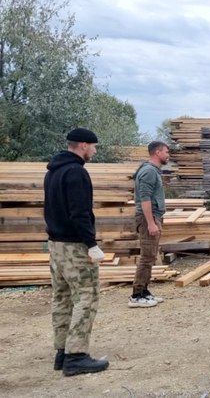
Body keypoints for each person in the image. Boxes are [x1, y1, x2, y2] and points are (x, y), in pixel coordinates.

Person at [44, 128, 109, 376]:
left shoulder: (53, 171)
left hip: (56, 245)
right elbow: (80, 213)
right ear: (83, 145)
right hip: (74, 246)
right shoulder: (76, 173)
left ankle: (62, 352)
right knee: (86, 297)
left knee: (62, 297)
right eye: (94, 146)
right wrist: (91, 244)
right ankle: (76, 356)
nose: (95, 151)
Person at [129, 141, 170, 308]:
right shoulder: (149, 172)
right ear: (157, 152)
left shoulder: (152, 171)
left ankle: (144, 291)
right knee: (146, 257)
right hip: (148, 218)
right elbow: (144, 199)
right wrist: (151, 223)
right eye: (166, 152)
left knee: (151, 255)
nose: (168, 155)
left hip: (152, 217)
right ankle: (136, 295)